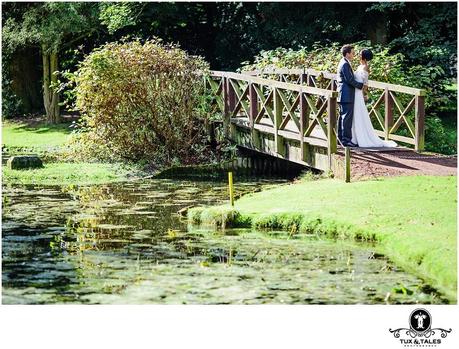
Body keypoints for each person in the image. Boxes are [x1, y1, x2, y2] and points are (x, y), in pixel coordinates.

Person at [351, 49, 397, 148]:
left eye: (359, 54)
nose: (357, 55)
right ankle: (353, 136)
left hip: (358, 94)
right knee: (355, 114)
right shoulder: (359, 66)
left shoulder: (365, 68)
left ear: (363, 56)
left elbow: (365, 84)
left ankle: (361, 137)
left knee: (359, 114)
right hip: (354, 92)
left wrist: (364, 94)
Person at [336, 45, 364, 147]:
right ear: (347, 53)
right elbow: (349, 80)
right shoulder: (345, 64)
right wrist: (360, 85)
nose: (353, 55)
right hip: (346, 94)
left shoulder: (343, 62)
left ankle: (340, 138)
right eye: (352, 53)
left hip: (343, 94)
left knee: (343, 117)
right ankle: (346, 140)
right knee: (346, 118)